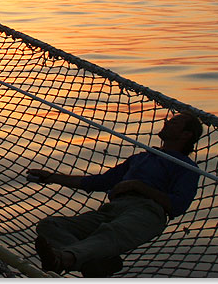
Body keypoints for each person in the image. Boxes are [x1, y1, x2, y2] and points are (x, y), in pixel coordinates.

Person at [26, 112, 204, 277]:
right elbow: (99, 182)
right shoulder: (141, 158)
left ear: (186, 135)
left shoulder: (186, 167)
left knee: (111, 233)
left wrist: (138, 186)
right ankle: (95, 261)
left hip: (146, 212)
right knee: (50, 226)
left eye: (174, 122)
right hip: (111, 209)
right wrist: (51, 177)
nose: (166, 123)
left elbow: (178, 205)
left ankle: (65, 258)